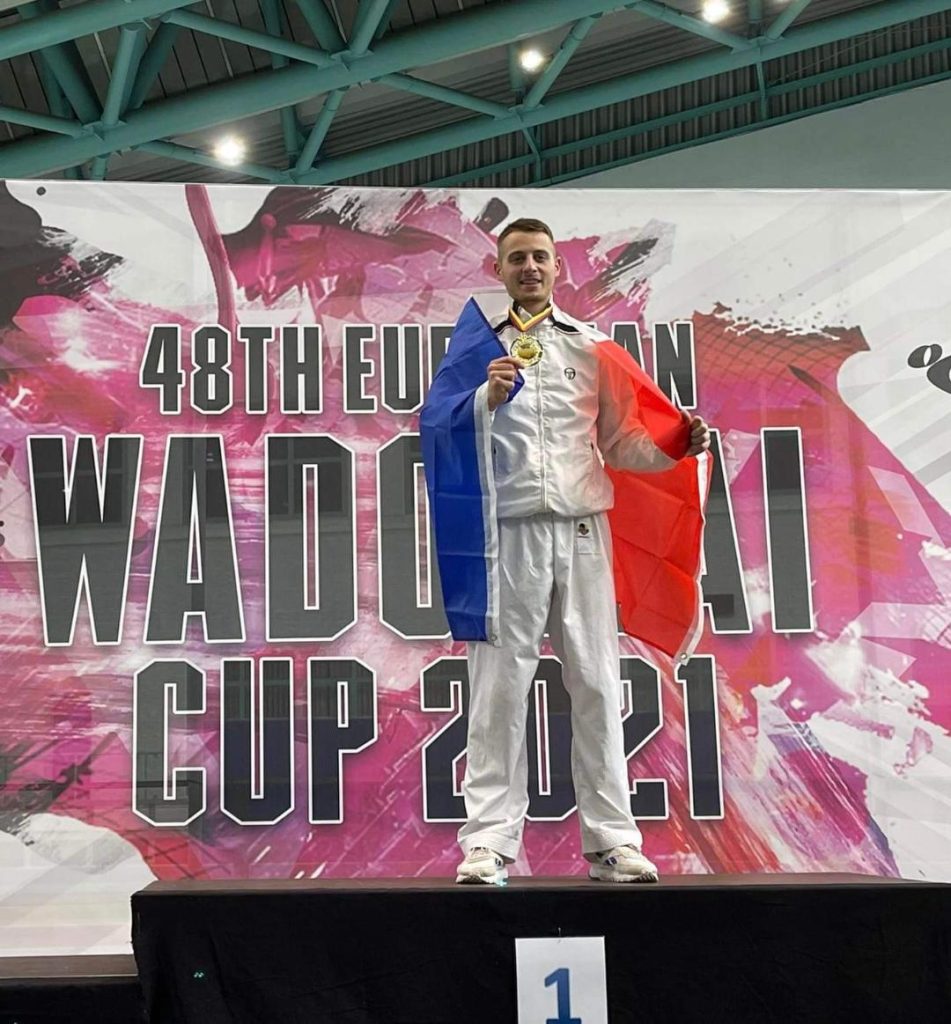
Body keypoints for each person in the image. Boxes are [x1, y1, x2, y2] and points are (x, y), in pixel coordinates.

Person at [421, 217, 710, 885]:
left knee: (597, 684)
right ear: (498, 270)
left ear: (557, 268)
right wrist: (483, 398)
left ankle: (613, 841)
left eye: (540, 257)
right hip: (507, 535)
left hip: (581, 531)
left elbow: (621, 444)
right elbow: (435, 428)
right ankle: (488, 843)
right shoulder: (476, 350)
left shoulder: (591, 346)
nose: (530, 267)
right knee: (499, 690)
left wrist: (675, 445)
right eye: (517, 258)